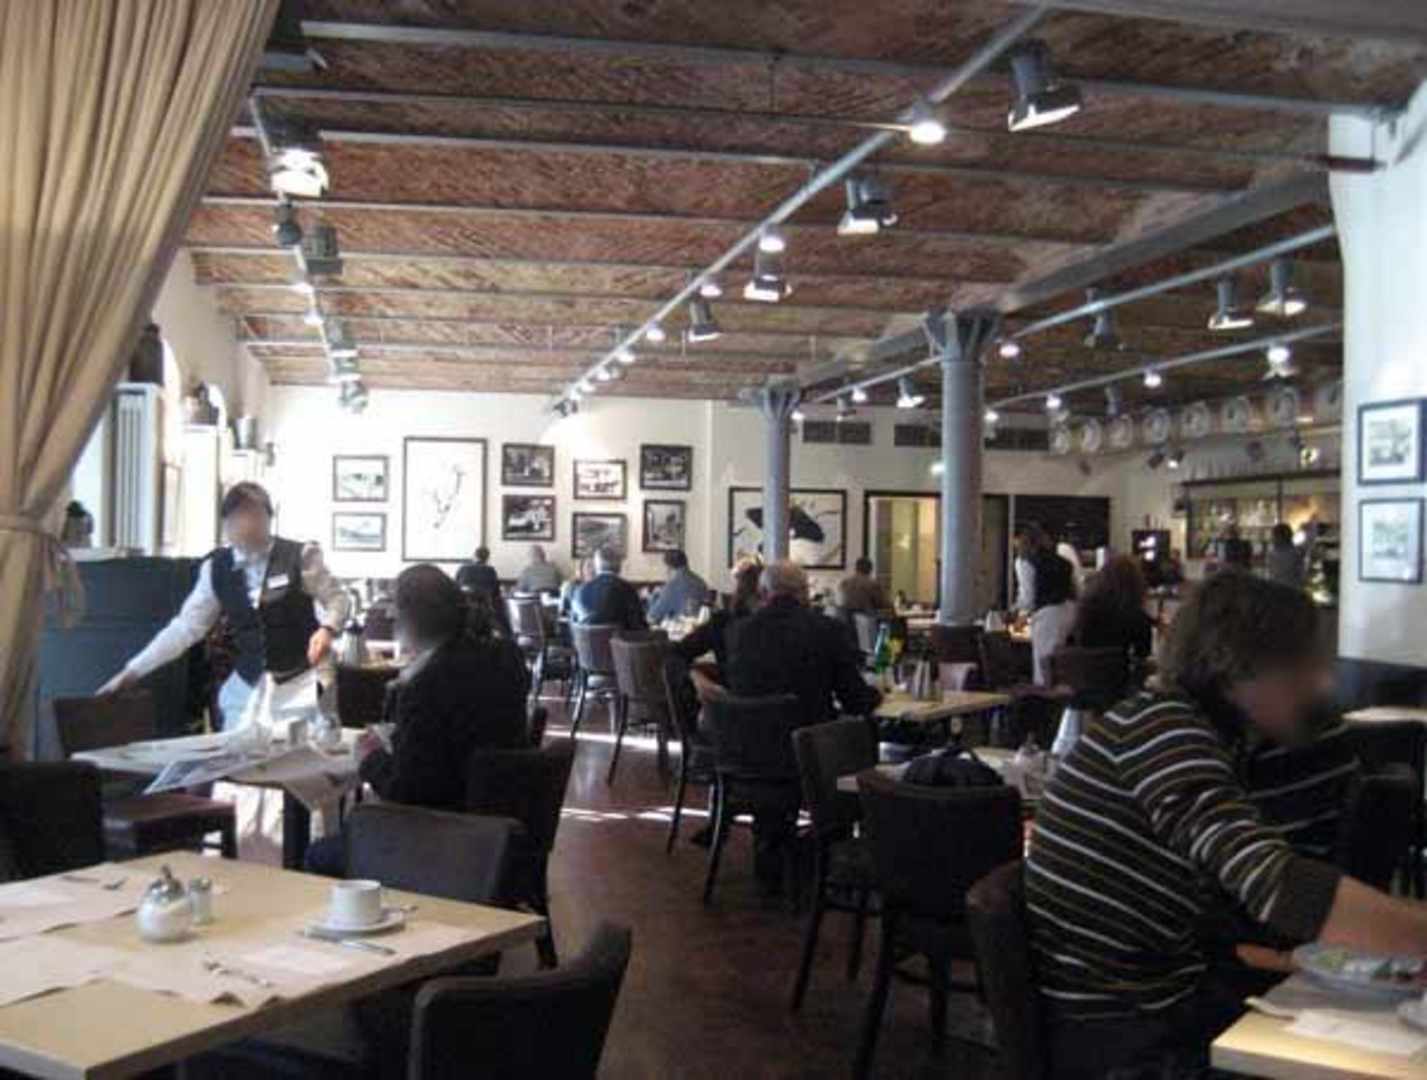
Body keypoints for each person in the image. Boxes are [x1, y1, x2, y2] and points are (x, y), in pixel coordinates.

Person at [1027, 572, 1427, 1079]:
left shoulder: (1175, 725)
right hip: (1127, 1037)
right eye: (1303, 665)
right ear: (1238, 666)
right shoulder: (1167, 735)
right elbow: (1273, 882)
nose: (1321, 683)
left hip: (1155, 1005)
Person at [305, 565, 530, 878]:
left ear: (409, 619)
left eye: (396, 610)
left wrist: (369, 757)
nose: (392, 616)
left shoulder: (426, 685)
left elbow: (406, 790)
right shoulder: (507, 657)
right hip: (503, 824)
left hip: (443, 836)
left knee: (319, 854)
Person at [97, 482, 348, 727]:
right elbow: (185, 628)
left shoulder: (300, 556)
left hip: (301, 683)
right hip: (248, 688)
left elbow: (338, 598)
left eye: (254, 516)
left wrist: (328, 629)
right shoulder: (216, 568)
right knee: (236, 750)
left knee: (301, 753)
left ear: (269, 519)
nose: (246, 525)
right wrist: (132, 672)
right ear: (226, 525)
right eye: (238, 519)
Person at [725, 560, 882, 729]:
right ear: (805, 592)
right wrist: (879, 694)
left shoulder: (738, 632)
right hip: (812, 738)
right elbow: (856, 702)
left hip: (751, 738)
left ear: (763, 592)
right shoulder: (828, 630)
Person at [675, 559, 761, 675]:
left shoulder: (723, 621)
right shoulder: (780, 624)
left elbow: (680, 651)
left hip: (729, 684)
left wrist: (694, 675)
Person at [1025, 524, 1077, 686]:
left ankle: (1045, 697)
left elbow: (1027, 597)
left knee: (1043, 667)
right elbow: (1076, 588)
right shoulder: (1065, 563)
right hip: (1069, 611)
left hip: (1047, 614)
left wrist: (1021, 613)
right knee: (1061, 662)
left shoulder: (1028, 562)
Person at [571, 546, 647, 631]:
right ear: (619, 566)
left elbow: (574, 623)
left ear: (597, 566)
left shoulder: (580, 590)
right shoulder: (628, 590)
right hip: (620, 639)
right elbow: (639, 625)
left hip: (584, 639)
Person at [646, 549, 711, 624]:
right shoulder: (701, 582)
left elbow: (652, 617)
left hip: (679, 627)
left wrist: (653, 597)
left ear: (668, 567)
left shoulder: (671, 586)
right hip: (699, 628)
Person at [1266, 522, 1305, 588]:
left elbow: (1271, 572)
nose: (1272, 538)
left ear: (1280, 537)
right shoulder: (1296, 552)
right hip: (1287, 588)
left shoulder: (1294, 553)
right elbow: (1301, 575)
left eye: (1274, 536)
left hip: (1284, 588)